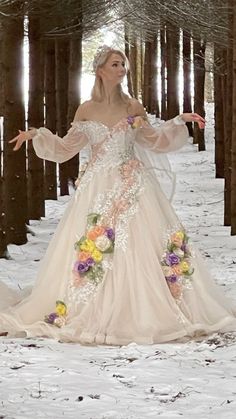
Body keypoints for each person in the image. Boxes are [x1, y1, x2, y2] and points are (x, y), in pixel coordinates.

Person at [0, 45, 235, 344]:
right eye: (115, 64)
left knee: (145, 243)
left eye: (123, 64)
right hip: (96, 187)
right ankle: (86, 307)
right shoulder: (86, 109)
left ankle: (150, 309)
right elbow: (65, 148)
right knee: (93, 246)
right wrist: (37, 134)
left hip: (134, 184)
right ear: (100, 70)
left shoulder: (132, 107)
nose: (122, 69)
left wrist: (178, 120)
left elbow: (154, 140)